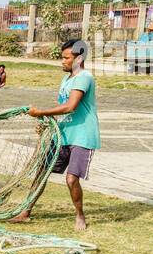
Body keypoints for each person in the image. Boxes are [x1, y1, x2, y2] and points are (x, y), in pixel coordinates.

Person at [10, 39, 100, 232]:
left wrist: (41, 112)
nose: (62, 61)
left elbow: (70, 106)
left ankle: (80, 216)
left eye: (66, 58)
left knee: (71, 179)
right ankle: (26, 212)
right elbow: (62, 110)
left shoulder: (84, 77)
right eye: (62, 57)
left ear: (79, 58)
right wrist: (47, 124)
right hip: (63, 135)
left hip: (82, 136)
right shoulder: (66, 79)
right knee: (41, 171)